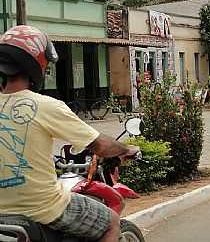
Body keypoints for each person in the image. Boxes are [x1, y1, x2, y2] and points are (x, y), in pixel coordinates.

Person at [0, 25, 138, 242]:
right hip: (44, 207)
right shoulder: (46, 105)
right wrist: (126, 149)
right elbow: (100, 145)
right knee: (111, 221)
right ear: (37, 64)